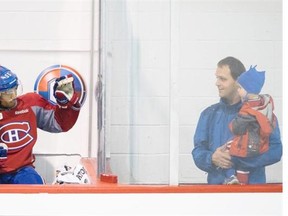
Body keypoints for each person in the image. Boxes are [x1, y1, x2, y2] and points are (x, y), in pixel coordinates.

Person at [192, 56, 282, 185]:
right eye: (217, 78)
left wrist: (239, 159)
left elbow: (276, 151)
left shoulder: (261, 113)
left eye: (222, 79)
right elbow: (198, 150)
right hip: (216, 194)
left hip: (253, 194)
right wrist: (211, 158)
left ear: (238, 83)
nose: (217, 83)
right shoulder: (208, 114)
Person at [0, 65, 81, 184]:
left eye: (14, 89)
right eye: (7, 93)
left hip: (21, 171)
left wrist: (64, 105)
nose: (13, 95)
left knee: (35, 186)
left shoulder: (31, 103)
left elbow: (60, 124)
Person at [223, 65, 276, 184]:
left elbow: (236, 128)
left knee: (228, 148)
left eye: (240, 88)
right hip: (260, 145)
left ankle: (231, 176)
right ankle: (241, 181)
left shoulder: (247, 108)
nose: (238, 90)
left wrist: (232, 125)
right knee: (243, 165)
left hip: (247, 145)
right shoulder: (265, 106)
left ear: (248, 90)